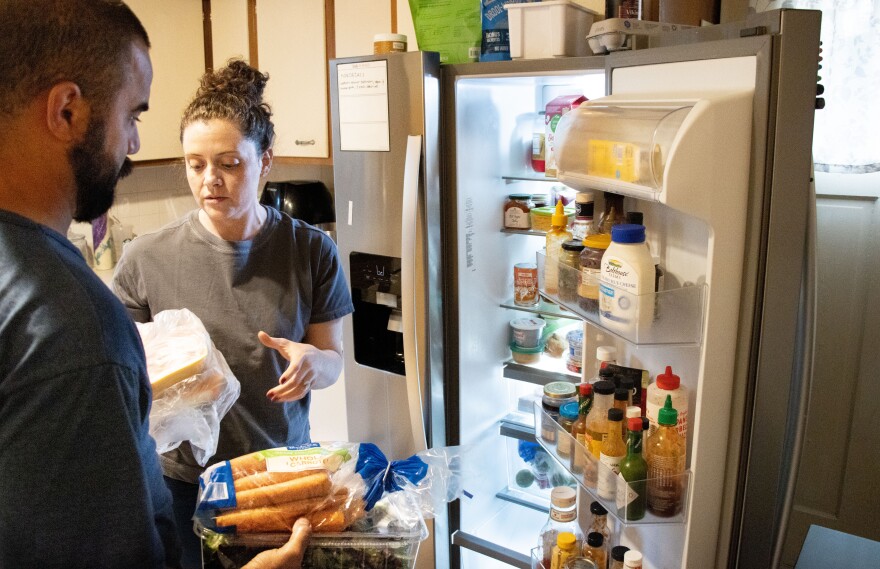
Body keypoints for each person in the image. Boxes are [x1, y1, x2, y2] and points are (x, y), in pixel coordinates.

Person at [0, 1, 310, 568]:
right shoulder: (69, 322)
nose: (135, 145)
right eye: (132, 115)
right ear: (68, 111)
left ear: (264, 163)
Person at [112, 59, 354, 567]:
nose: (210, 180)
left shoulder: (310, 251)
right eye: (195, 164)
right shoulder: (144, 259)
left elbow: (333, 361)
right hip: (183, 483)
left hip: (278, 474)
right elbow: (124, 379)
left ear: (265, 161)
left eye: (229, 163)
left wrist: (315, 363)